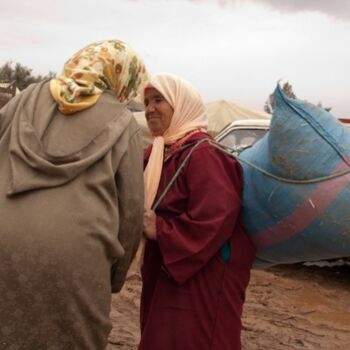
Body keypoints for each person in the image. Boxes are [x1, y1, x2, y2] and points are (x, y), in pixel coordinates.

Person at [0, 39, 149, 349]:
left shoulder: (22, 99)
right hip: (78, 259)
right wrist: (114, 278)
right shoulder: (124, 124)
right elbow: (131, 212)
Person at [139, 73, 256, 350]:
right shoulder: (159, 152)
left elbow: (216, 216)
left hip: (202, 274)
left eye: (158, 100)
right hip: (168, 267)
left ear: (182, 105)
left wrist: (161, 229)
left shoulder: (205, 154)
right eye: (145, 102)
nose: (149, 109)